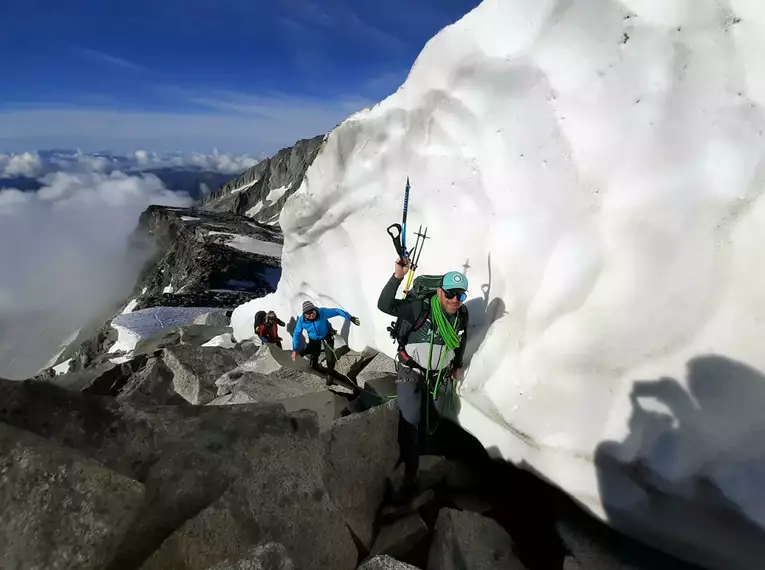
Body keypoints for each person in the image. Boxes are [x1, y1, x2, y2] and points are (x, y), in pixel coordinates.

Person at [377, 258, 469, 501]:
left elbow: (460, 339)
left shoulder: (461, 315)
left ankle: (425, 454)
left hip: (438, 375)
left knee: (434, 417)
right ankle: (410, 475)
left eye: (461, 296)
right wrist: (397, 276)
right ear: (440, 291)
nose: (455, 300)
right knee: (410, 420)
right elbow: (384, 305)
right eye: (450, 293)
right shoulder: (420, 308)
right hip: (411, 371)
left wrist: (456, 365)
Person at [291, 300, 360, 384]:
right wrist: (295, 349)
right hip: (314, 338)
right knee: (315, 352)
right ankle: (314, 365)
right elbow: (296, 333)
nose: (311, 315)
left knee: (330, 357)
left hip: (326, 336)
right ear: (304, 314)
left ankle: (330, 374)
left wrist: (349, 317)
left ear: (315, 309)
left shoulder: (322, 312)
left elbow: (336, 311)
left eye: (312, 311)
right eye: (308, 313)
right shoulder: (302, 321)